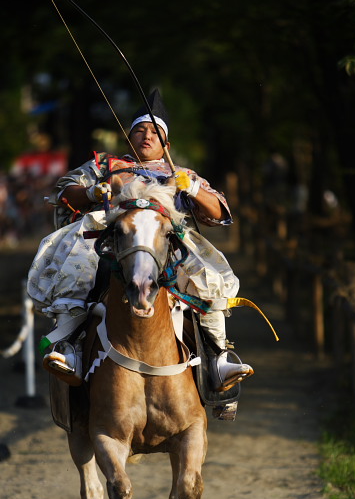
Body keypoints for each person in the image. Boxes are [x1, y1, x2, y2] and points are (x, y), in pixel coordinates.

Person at [27, 89, 253, 392]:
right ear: (128, 138)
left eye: (155, 132)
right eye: (140, 130)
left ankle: (219, 358)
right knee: (75, 266)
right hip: (108, 238)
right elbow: (64, 193)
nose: (147, 136)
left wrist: (195, 190)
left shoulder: (180, 173)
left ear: (166, 144)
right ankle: (71, 350)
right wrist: (93, 192)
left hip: (167, 241)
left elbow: (220, 212)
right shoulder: (104, 166)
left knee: (208, 277)